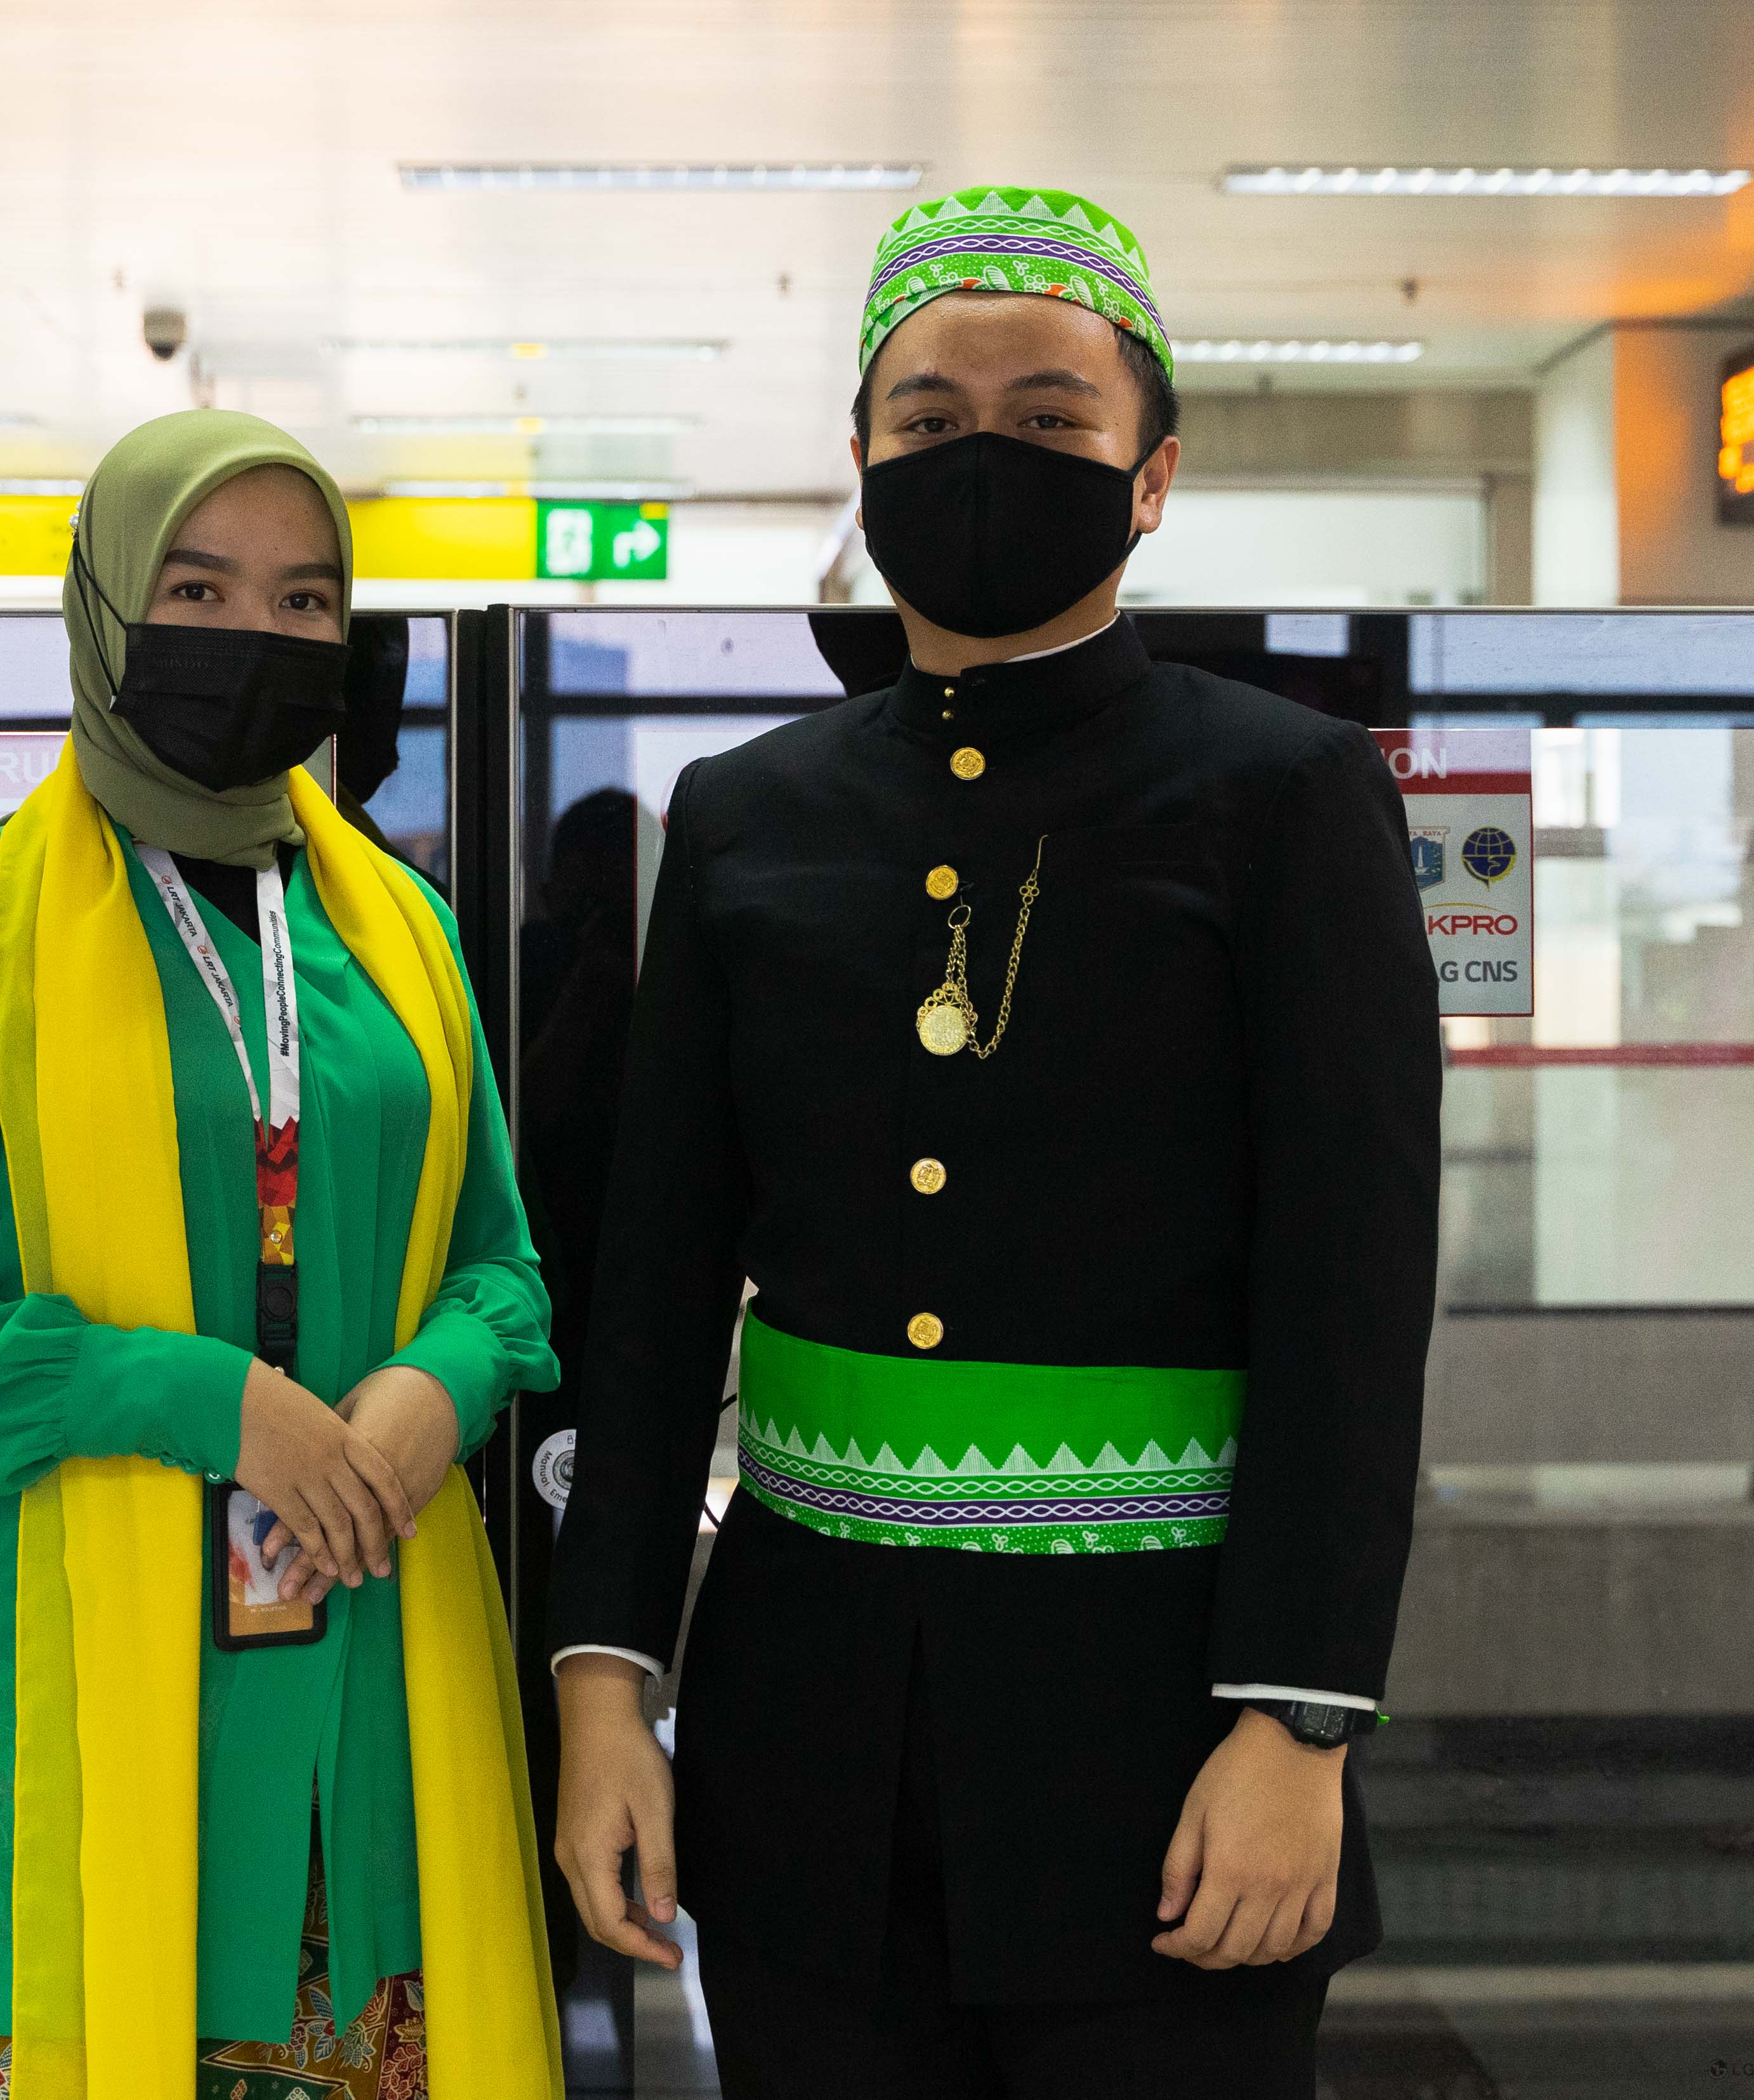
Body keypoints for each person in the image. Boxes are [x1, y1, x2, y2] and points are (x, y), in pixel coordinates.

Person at [544, 187, 1444, 2097]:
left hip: (1170, 1757)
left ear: (1151, 473)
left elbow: (1350, 1298)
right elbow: (652, 1293)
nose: (982, 455)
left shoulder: (1281, 792)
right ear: (862, 456)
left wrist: (1297, 1719)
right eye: (930, 414)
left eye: (1048, 417)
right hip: (803, 1754)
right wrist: (606, 1682)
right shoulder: (743, 813)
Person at [0, 410, 564, 2100]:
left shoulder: (398, 934)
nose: (254, 635)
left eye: (303, 600)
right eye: (197, 588)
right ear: (104, 605)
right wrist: (195, 1395)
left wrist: (442, 1376)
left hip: (364, 1751)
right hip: (50, 1760)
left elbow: (500, 1262)